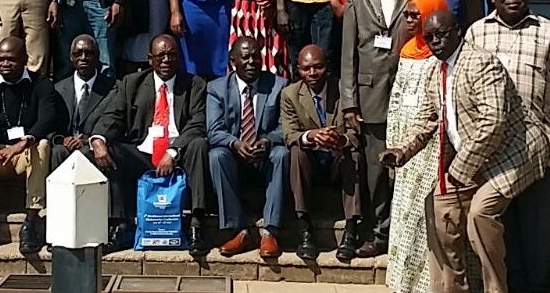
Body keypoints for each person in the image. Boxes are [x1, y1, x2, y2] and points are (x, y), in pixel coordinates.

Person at [379, 9, 548, 293]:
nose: (434, 42)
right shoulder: (436, 70)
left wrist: (459, 170)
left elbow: (493, 122)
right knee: (438, 204)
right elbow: (428, 119)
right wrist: (401, 151)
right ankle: (452, 291)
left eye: (440, 35)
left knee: (481, 213)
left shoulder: (480, 62)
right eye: (429, 37)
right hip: (478, 159)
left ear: (457, 30)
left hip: (515, 155)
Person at [465, 0, 550, 293]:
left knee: (539, 221)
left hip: (539, 144)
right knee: (503, 221)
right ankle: (509, 284)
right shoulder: (477, 32)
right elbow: (466, 83)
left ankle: (540, 286)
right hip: (494, 147)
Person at [339, 0, 434, 258]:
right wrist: (349, 102)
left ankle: (411, 235)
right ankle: (379, 233)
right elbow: (348, 53)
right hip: (371, 96)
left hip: (414, 95)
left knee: (412, 168)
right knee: (376, 171)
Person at [92, 34, 211, 256]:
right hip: (144, 152)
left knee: (199, 144)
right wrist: (99, 139)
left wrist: (173, 151)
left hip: (179, 152)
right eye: (161, 55)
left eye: (172, 55)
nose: (166, 60)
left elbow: (198, 123)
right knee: (112, 151)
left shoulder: (194, 84)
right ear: (150, 59)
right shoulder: (132, 83)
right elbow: (113, 116)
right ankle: (121, 225)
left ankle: (196, 225)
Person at [0, 36, 59, 254]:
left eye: (11, 59)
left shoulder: (41, 84)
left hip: (23, 154)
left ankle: (31, 222)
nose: (5, 64)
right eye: (1, 59)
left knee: (42, 145)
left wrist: (23, 143)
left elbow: (48, 118)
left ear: (25, 59)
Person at [385, 0, 451, 293]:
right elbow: (396, 96)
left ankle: (430, 284)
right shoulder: (408, 47)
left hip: (430, 143)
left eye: (416, 14)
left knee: (426, 211)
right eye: (408, 14)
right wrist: (393, 140)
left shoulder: (441, 54)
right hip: (404, 141)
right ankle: (404, 280)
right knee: (405, 212)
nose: (410, 20)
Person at [207, 37, 289, 258]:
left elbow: (286, 126)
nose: (252, 61)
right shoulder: (217, 88)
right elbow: (214, 131)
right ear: (233, 62)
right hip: (235, 156)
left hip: (265, 157)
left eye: (256, 56)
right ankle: (238, 230)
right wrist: (234, 144)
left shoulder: (278, 85)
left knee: (282, 153)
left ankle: (270, 232)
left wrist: (268, 141)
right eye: (246, 57)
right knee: (217, 155)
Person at [282, 44, 363, 261]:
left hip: (337, 160)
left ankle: (351, 229)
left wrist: (342, 140)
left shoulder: (343, 92)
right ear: (298, 69)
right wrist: (311, 136)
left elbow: (357, 133)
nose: (312, 73)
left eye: (317, 67)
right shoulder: (290, 94)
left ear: (326, 67)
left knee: (353, 154)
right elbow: (289, 134)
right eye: (306, 68)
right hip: (311, 163)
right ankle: (304, 228)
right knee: (296, 151)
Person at [51, 35, 115, 170]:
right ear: (71, 57)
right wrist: (62, 139)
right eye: (78, 53)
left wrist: (90, 139)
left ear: (97, 56)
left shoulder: (112, 88)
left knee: (85, 153)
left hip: (93, 146)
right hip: (66, 144)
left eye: (89, 53)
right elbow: (49, 122)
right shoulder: (58, 88)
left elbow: (113, 121)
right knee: (57, 151)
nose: (83, 58)